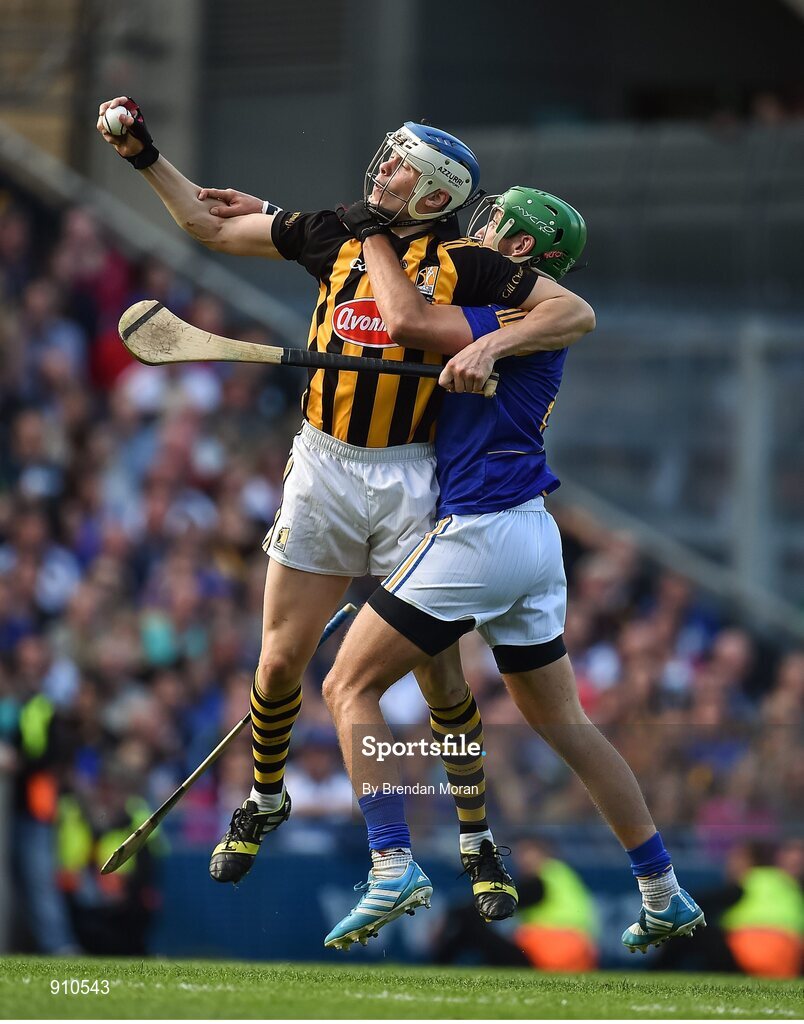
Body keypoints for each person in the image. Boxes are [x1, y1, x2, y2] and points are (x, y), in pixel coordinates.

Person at [95, 100, 595, 922]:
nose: (383, 170)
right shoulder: (337, 228)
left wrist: (489, 343)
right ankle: (264, 796)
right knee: (279, 662)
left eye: (402, 166)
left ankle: (475, 837)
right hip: (324, 465)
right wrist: (145, 155)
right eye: (388, 158)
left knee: (438, 679)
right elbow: (209, 228)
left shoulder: (469, 262)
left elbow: (565, 312)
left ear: (434, 195)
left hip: (413, 478)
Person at [315, 189, 704, 953]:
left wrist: (379, 244)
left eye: (496, 225)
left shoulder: (513, 314)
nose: (480, 229)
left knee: (347, 686)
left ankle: (391, 862)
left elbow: (415, 323)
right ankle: (663, 890)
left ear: (520, 251)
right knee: (565, 724)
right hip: (529, 536)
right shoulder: (513, 315)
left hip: (485, 533)